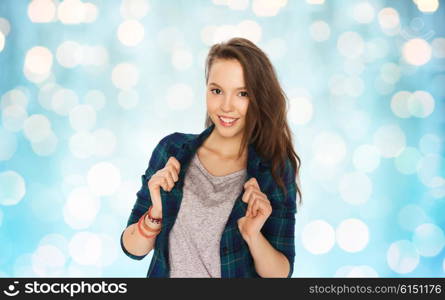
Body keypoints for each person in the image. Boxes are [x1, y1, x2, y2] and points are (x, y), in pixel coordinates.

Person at [120, 37, 303, 278]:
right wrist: (156, 210)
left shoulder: (274, 169)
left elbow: (280, 274)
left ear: (258, 97)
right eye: (217, 91)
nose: (226, 106)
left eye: (242, 93)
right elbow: (132, 249)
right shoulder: (171, 150)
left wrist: (253, 235)